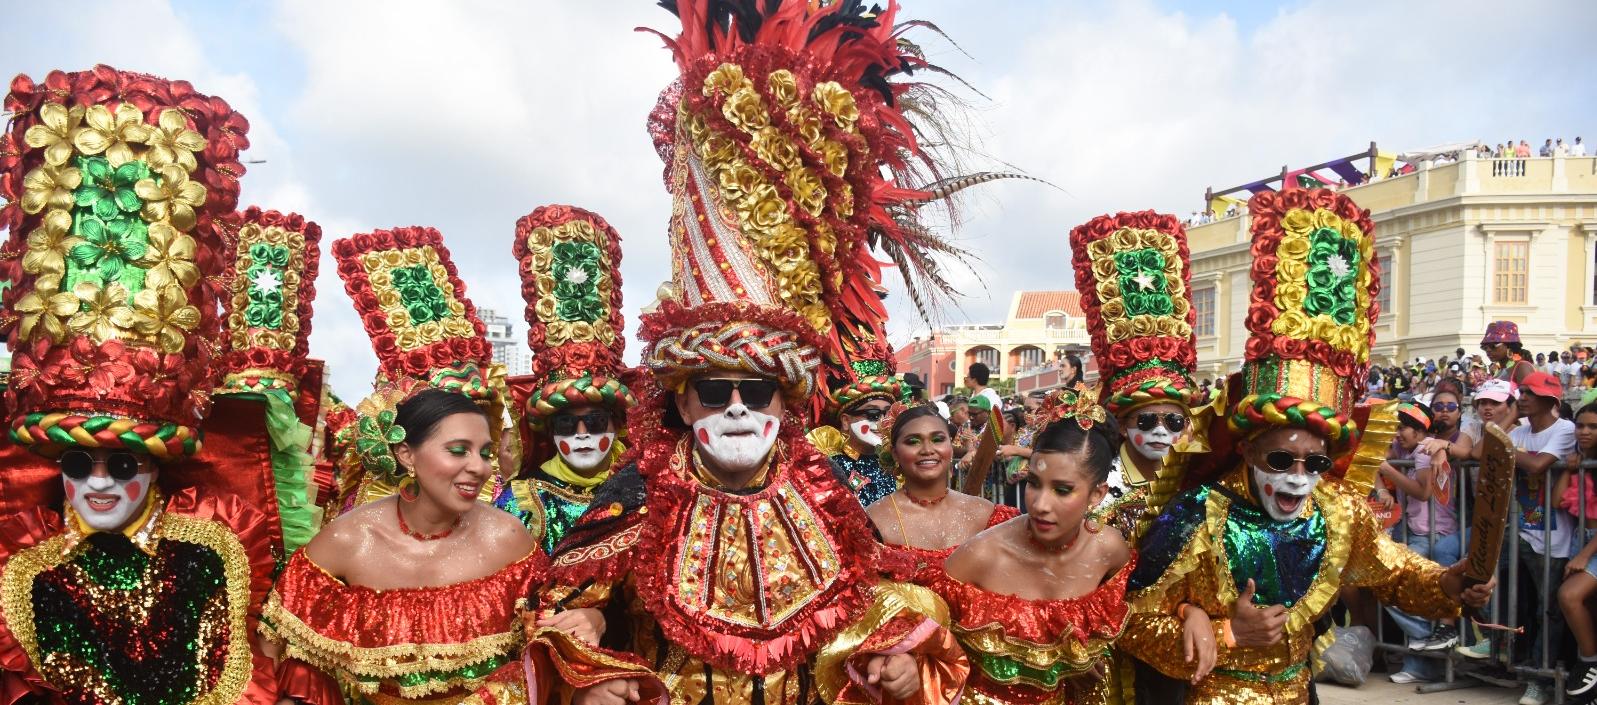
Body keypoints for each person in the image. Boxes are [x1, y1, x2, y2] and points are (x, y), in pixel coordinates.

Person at [522, 3, 1019, 702]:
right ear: (682, 398)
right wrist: (587, 657)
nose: (733, 407)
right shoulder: (636, 497)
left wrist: (902, 656)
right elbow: (563, 613)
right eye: (714, 388)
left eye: (754, 390)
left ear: (785, 400)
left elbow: (874, 602)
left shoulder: (825, 493)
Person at [1119, 187, 1493, 704]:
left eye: (1315, 462)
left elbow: (1396, 569)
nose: (1298, 475)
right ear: (1248, 451)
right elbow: (1129, 618)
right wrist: (1224, 631)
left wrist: (1450, 584)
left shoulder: (1337, 511)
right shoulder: (1196, 514)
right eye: (1281, 458)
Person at [0, 66, 287, 704]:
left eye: (120, 461)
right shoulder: (26, 569)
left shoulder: (208, 557)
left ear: (155, 468)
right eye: (80, 461)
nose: (98, 482)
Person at [262, 387, 551, 703]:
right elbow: (272, 648)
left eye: (484, 453)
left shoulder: (506, 538)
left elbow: (548, 648)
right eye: (458, 450)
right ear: (406, 455)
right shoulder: (348, 540)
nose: (479, 468)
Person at [934, 388, 1135, 704]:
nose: (1040, 505)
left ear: (1097, 495)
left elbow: (1135, 611)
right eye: (1034, 484)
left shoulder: (1108, 550)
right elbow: (923, 642)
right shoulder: (984, 554)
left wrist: (1084, 654)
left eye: (1063, 490)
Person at [494, 205, 636, 553]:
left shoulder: (643, 489)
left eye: (595, 422)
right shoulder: (522, 502)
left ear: (616, 425)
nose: (582, 436)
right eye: (568, 426)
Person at [1069, 209, 1203, 541]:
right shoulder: (1099, 486)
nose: (1161, 431)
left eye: (1173, 422)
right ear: (1125, 428)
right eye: (1146, 422)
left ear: (1187, 426)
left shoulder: (1196, 482)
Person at [868, 402, 1018, 583]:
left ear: (950, 446)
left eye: (938, 439)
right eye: (913, 441)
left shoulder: (989, 515)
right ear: (895, 454)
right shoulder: (872, 522)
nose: (927, 450)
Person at [1376, 403, 1463, 682]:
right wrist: (1381, 487)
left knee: (1393, 581)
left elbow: (1423, 492)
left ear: (1418, 430)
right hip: (1416, 533)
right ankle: (1427, 639)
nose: (1396, 433)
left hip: (1434, 534)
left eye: (1401, 428)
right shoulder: (1406, 449)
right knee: (1389, 582)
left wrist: (1388, 471)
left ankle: (1426, 641)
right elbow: (1372, 460)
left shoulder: (1425, 450)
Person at [812, 371, 903, 507]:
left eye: (888, 414)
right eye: (873, 414)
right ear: (846, 421)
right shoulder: (827, 464)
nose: (882, 422)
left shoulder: (897, 467)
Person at [1559, 402, 1597, 703]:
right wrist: (1569, 468)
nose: (1584, 432)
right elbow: (1557, 500)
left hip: (1591, 544)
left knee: (1570, 596)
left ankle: (1589, 661)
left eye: (1592, 427)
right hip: (1582, 539)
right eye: (1580, 425)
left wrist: (1584, 555)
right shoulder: (1581, 460)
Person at [1482, 320, 1536, 384]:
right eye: (1484, 347)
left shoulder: (1521, 367)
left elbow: (1529, 393)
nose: (1488, 350)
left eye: (1493, 345)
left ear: (1509, 346)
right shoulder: (1499, 371)